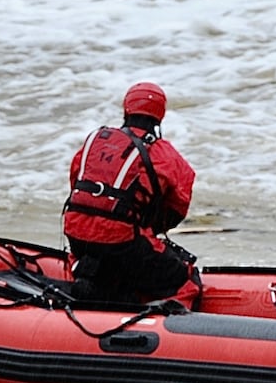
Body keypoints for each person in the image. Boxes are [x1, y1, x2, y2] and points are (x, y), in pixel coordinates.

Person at [62, 82, 201, 311]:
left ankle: (92, 282)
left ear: (126, 109)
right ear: (160, 117)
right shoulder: (165, 154)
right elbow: (179, 204)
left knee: (112, 259)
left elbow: (77, 185)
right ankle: (167, 328)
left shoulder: (95, 141)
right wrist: (150, 225)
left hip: (77, 238)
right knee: (185, 278)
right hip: (122, 243)